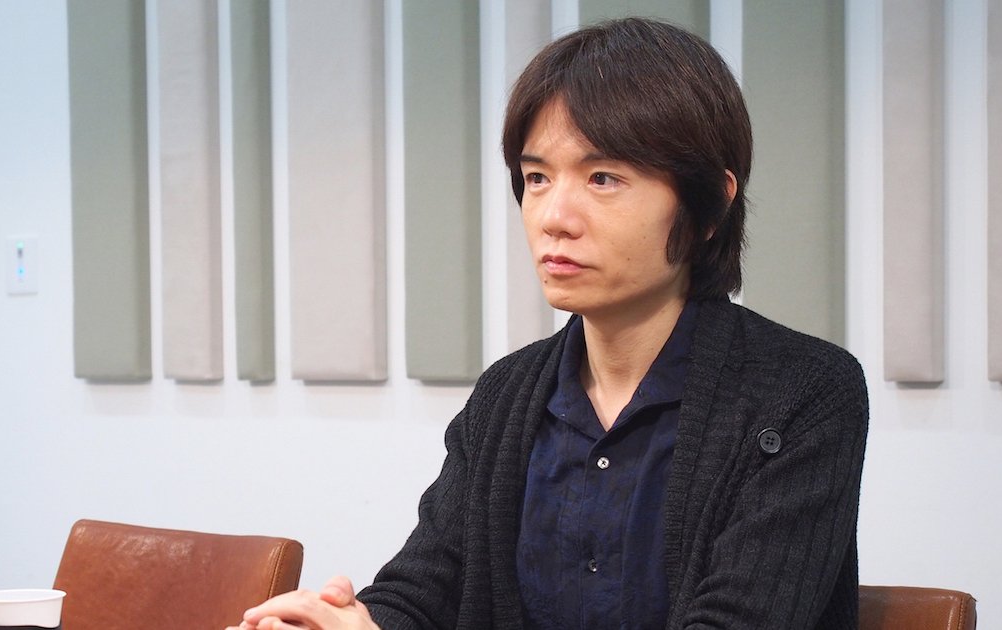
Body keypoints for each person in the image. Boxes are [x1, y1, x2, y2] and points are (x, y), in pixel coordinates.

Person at [231, 17, 868, 630]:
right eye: (536, 177)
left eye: (603, 178)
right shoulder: (507, 395)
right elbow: (424, 592)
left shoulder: (803, 392)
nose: (553, 217)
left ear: (709, 206)